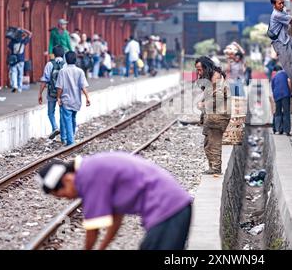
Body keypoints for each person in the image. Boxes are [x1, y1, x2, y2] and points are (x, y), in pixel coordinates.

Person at [37, 152, 193, 250]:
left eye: (63, 194)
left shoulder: (88, 177)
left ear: (68, 178)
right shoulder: (92, 169)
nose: (68, 198)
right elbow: (116, 218)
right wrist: (103, 247)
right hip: (173, 208)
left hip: (167, 209)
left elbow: (93, 228)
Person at [195, 56, 231, 175]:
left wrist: (204, 104)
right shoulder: (210, 78)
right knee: (208, 143)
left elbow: (218, 98)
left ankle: (215, 168)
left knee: (214, 142)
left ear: (207, 67)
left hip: (218, 116)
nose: (198, 72)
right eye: (197, 70)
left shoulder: (216, 78)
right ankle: (212, 167)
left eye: (200, 69)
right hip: (212, 116)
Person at [56, 51, 91, 146]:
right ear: (75, 60)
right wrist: (87, 97)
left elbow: (60, 87)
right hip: (76, 100)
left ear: (66, 60)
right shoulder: (80, 71)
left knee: (67, 119)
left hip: (66, 100)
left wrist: (58, 97)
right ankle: (71, 136)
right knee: (73, 118)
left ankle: (70, 141)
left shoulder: (63, 71)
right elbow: (83, 86)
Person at [39, 45, 67, 140]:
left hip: (51, 92)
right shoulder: (66, 65)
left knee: (51, 112)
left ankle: (55, 128)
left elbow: (44, 80)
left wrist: (40, 93)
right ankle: (63, 137)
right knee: (62, 113)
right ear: (63, 54)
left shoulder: (49, 64)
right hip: (63, 94)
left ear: (53, 54)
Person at [8, 28, 32, 93]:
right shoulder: (23, 41)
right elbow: (30, 34)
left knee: (13, 73)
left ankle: (14, 86)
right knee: (20, 74)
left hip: (13, 59)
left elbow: (9, 49)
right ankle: (20, 88)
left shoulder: (12, 42)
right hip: (21, 59)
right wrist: (24, 29)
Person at [270, 66, 292, 136]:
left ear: (275, 71)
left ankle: (278, 129)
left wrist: (274, 96)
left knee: (278, 112)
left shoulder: (274, 77)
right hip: (285, 94)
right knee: (286, 112)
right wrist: (290, 92)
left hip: (277, 96)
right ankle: (287, 131)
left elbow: (273, 88)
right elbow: (289, 83)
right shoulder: (286, 74)